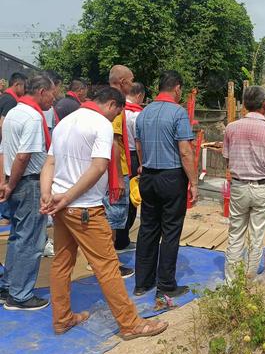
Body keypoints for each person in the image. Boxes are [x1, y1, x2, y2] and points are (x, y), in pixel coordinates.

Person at [40, 86, 168, 338]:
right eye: (116, 114)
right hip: (84, 207)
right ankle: (130, 323)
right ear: (111, 104)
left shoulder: (65, 122)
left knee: (62, 263)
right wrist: (68, 196)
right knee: (107, 266)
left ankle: (62, 318)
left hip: (62, 206)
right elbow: (99, 166)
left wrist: (48, 193)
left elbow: (50, 163)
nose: (114, 119)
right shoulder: (100, 124)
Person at [134, 71, 197, 297]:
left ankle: (142, 282)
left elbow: (139, 147)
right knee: (170, 231)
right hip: (171, 177)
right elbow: (185, 151)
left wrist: (144, 166)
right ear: (177, 88)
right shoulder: (178, 113)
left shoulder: (143, 113)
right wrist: (194, 183)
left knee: (148, 228)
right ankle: (166, 285)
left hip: (148, 176)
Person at [222, 86, 265, 284]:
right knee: (256, 236)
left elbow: (227, 160)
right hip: (263, 186)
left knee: (235, 234)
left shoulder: (231, 128)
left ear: (244, 104)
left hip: (239, 187)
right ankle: (249, 280)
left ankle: (231, 282)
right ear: (264, 105)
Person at [0, 74, 55, 310]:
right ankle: (20, 295)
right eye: (53, 93)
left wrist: (5, 181)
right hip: (28, 182)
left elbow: (4, 150)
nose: (55, 98)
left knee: (18, 236)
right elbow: (23, 155)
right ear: (42, 91)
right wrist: (10, 183)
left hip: (15, 181)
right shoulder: (33, 117)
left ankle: (9, 285)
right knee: (31, 240)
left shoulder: (14, 112)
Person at [104, 66, 135, 276]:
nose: (133, 84)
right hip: (114, 172)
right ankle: (109, 262)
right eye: (131, 80)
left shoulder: (106, 99)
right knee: (112, 218)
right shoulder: (115, 105)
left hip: (110, 171)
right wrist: (117, 179)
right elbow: (113, 143)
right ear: (122, 81)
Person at [0, 72, 27, 227]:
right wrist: (7, 142)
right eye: (23, 86)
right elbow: (3, 123)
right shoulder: (11, 100)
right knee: (5, 179)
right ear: (17, 85)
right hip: (4, 146)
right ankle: (6, 214)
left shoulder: (3, 97)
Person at [124, 82, 145, 238]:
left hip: (116, 155)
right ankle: (123, 236)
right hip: (132, 157)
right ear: (139, 95)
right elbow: (139, 143)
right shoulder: (137, 115)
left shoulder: (118, 109)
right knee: (132, 194)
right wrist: (142, 163)